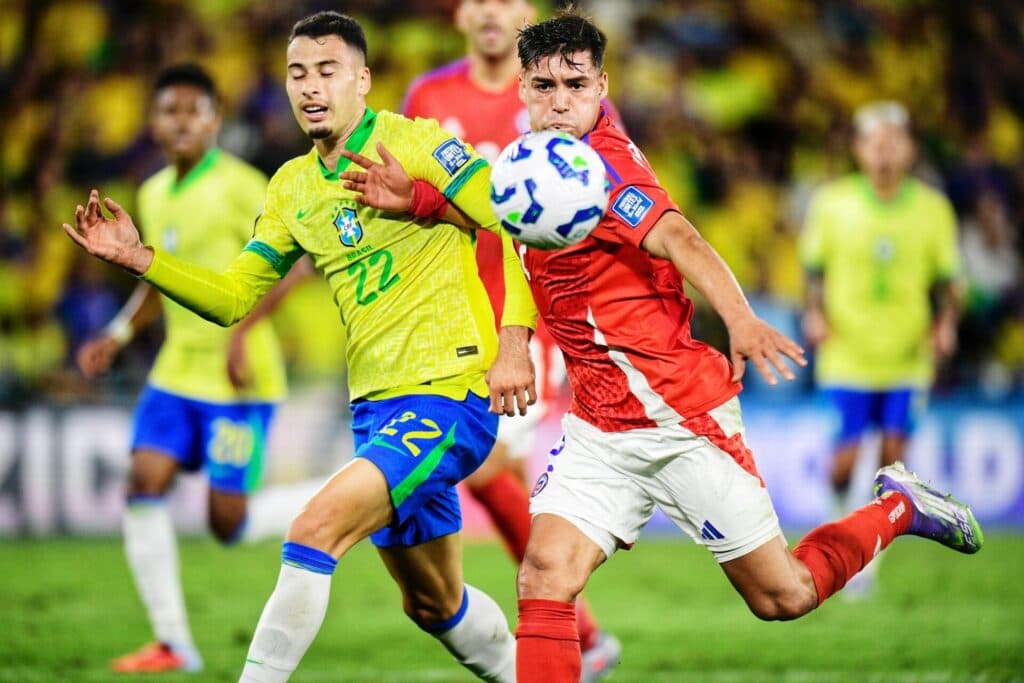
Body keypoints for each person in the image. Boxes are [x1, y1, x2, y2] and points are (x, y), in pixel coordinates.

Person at [340, 12, 985, 683]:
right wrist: (421, 201)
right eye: (544, 85)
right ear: (523, 92)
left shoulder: (608, 170)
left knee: (783, 594)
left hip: (678, 416)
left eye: (575, 84)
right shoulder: (531, 162)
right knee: (544, 575)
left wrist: (739, 317)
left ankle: (900, 507)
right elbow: (510, 222)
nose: (559, 100)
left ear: (602, 87)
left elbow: (681, 238)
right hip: (599, 425)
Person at [64, 11, 537, 683]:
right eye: (297, 73)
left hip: (452, 393)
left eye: (327, 70)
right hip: (377, 408)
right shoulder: (290, 187)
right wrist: (143, 260)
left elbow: (515, 224)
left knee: (313, 530)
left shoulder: (418, 142)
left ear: (362, 80)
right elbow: (233, 297)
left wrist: (514, 342)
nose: (311, 86)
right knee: (434, 602)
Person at [401, 1, 619, 676]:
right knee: (491, 471)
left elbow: (609, 182)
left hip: (533, 314)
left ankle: (573, 629)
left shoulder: (561, 93)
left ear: (528, 12)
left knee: (491, 464)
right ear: (460, 13)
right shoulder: (428, 97)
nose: (493, 11)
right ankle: (574, 629)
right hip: (451, 310)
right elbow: (410, 193)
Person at [75, 63, 308, 674]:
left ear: (214, 120)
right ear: (153, 122)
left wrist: (245, 333)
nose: (180, 121)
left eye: (193, 110)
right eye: (168, 110)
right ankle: (174, 643)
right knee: (142, 481)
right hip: (176, 373)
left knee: (226, 525)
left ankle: (329, 497)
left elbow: (296, 262)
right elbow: (156, 273)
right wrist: (119, 332)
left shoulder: (242, 185)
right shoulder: (151, 192)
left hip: (238, 379)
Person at [800, 101, 961, 594]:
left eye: (894, 140)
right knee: (845, 459)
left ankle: (866, 557)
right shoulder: (832, 202)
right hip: (848, 353)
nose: (885, 150)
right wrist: (814, 312)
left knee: (891, 461)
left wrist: (945, 324)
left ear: (910, 149)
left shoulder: (933, 208)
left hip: (906, 356)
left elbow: (947, 280)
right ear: (859, 149)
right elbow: (813, 269)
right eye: (875, 140)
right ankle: (835, 530)